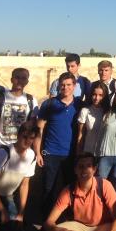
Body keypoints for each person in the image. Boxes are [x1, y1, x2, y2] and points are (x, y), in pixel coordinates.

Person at [41, 152, 116, 231]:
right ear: (75, 170)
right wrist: (56, 229)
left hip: (102, 227)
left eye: (88, 166)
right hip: (80, 227)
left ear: (94, 169)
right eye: (80, 166)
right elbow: (48, 222)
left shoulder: (105, 185)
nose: (84, 170)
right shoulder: (68, 190)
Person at [35, 72, 83, 217]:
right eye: (62, 85)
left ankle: (69, 217)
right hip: (51, 153)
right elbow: (39, 129)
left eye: (69, 85)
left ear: (74, 86)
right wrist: (37, 152)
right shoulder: (49, 104)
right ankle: (46, 220)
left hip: (71, 154)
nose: (65, 88)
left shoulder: (80, 105)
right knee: (48, 188)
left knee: (71, 188)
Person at [0, 67, 38, 147]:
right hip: (1, 145)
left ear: (27, 81)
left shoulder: (32, 100)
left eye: (23, 78)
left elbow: (32, 126)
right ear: (12, 80)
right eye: (17, 77)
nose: (20, 81)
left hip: (21, 146)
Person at [76, 81, 111, 156]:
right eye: (94, 94)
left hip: (105, 154)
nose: (97, 98)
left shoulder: (109, 112)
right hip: (89, 152)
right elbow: (81, 134)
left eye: (100, 95)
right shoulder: (84, 111)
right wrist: (78, 153)